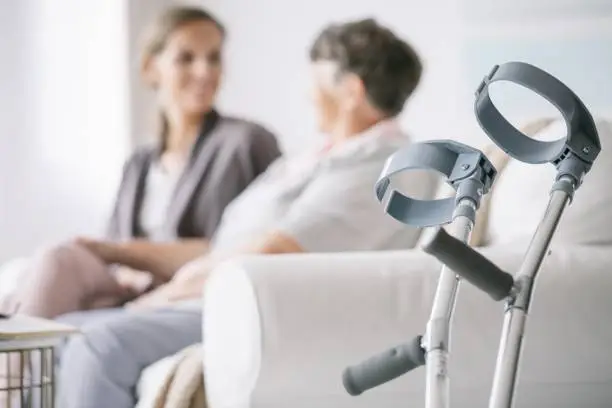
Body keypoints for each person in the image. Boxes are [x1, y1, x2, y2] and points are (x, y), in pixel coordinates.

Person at [55, 18, 436, 408]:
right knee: (64, 333)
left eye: (315, 80)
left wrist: (167, 293)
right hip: (222, 294)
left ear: (350, 91)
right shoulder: (326, 156)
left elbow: (277, 250)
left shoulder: (380, 166)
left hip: (255, 306)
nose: (307, 94)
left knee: (99, 344)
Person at [0, 6, 281, 319]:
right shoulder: (140, 162)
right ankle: (16, 362)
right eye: (186, 58)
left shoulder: (246, 142)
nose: (205, 71)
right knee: (48, 263)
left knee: (55, 264)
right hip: (127, 290)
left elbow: (254, 243)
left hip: (185, 291)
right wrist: (120, 262)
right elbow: (113, 247)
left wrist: (127, 253)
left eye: (214, 57)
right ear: (151, 67)